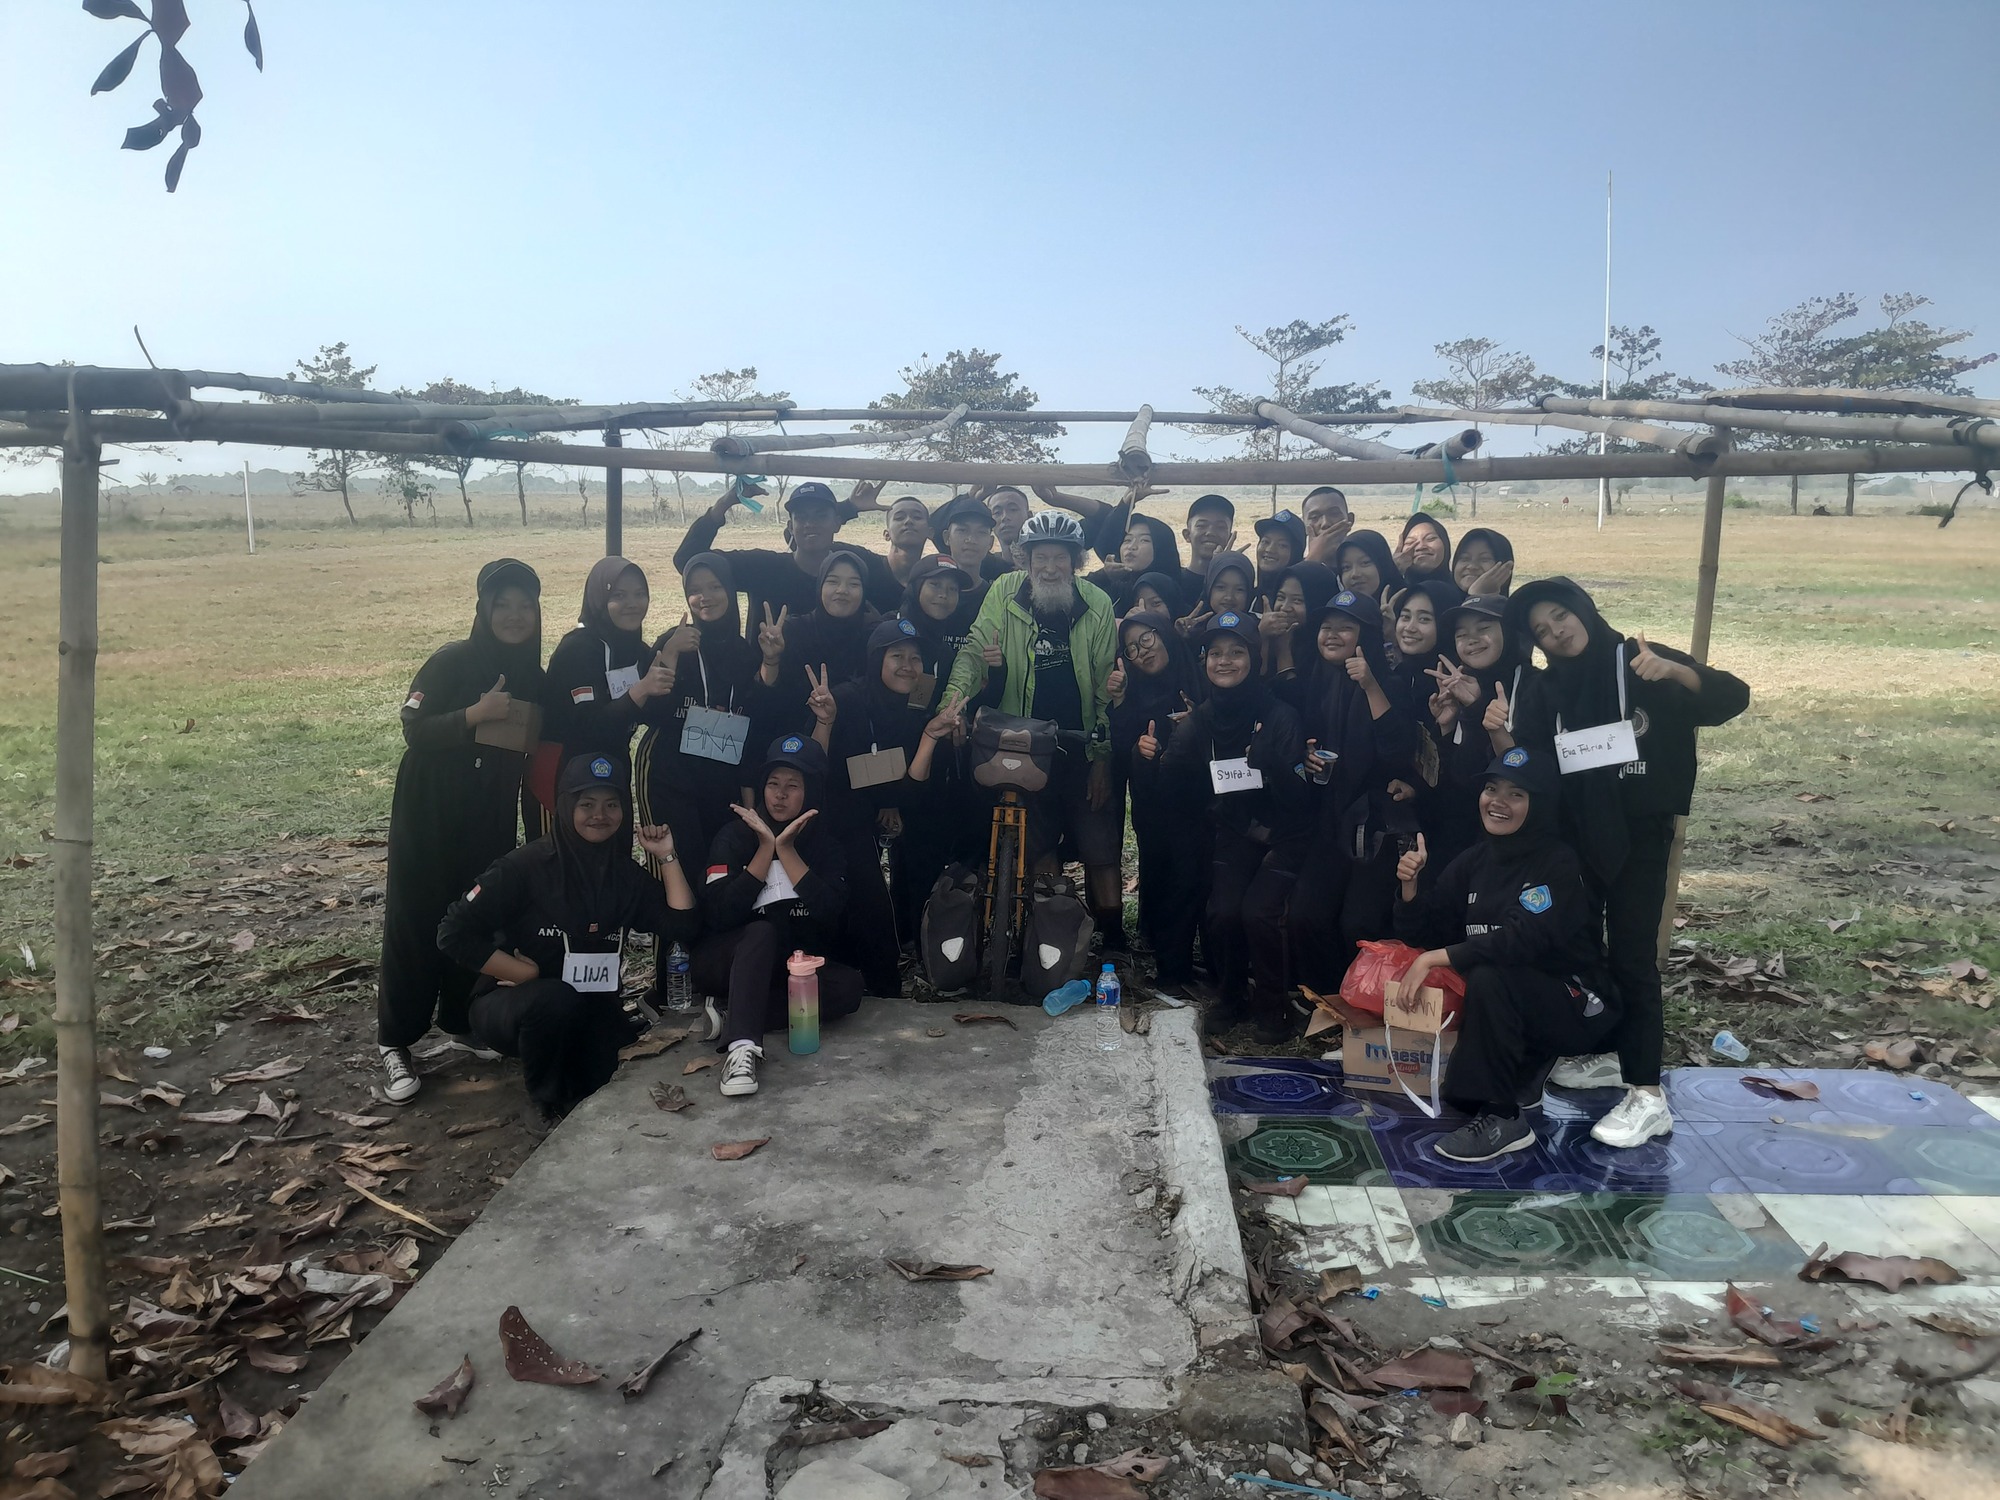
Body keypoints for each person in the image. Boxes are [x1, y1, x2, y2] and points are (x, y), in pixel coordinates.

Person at [1505, 578, 1750, 1148]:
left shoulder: (1640, 660)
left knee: (1634, 955)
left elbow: (1732, 697)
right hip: (1575, 836)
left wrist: (1678, 673)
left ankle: (1647, 1094)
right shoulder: (1545, 688)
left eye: (1560, 615)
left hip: (1639, 834)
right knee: (1581, 947)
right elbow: (1535, 764)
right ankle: (1610, 1051)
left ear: (1583, 609)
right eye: (1541, 630)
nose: (1556, 632)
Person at [437, 753, 700, 1125]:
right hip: (511, 1005)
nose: (600, 815)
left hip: (592, 1006)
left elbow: (683, 925)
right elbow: (452, 933)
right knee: (554, 1000)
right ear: (565, 806)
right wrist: (522, 973)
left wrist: (666, 856)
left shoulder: (623, 875)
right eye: (586, 804)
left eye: (611, 805)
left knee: (602, 1086)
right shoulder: (523, 867)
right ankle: (543, 1105)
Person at [1390, 747, 1619, 1163]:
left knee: (1489, 974)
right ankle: (1526, 1063)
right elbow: (1428, 932)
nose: (1497, 801)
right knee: (1483, 979)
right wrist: (1410, 887)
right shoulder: (1474, 859)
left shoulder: (1557, 862)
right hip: (1519, 1000)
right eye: (1492, 789)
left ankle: (1503, 1118)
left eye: (1516, 794)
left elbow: (1521, 939)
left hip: (1578, 1005)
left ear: (1540, 804)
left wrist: (1433, 959)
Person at [377, 559, 547, 1105]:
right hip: (430, 810)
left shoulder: (532, 674)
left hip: (489, 812)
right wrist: (475, 713)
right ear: (483, 609)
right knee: (415, 918)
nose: (515, 615)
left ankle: (459, 1020)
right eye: (503, 605)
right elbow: (414, 727)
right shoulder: (452, 660)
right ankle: (396, 1040)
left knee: (475, 913)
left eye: (525, 605)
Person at [944, 510, 1123, 943]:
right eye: (1040, 557)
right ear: (1024, 559)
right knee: (1035, 842)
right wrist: (951, 706)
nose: (1049, 568)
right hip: (1021, 742)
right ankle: (1046, 931)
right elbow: (974, 650)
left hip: (1079, 742)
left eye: (1060, 558)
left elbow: (1105, 684)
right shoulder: (1005, 592)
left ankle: (1114, 937)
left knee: (1099, 844)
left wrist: (1101, 756)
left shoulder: (1096, 603)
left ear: (1076, 561)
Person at [1139, 611, 1310, 1041]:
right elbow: (1172, 787)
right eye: (1215, 653)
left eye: (1236, 652)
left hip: (1288, 834)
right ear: (1205, 661)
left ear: (1253, 658)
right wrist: (1154, 758)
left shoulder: (1280, 715)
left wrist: (1272, 763)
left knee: (1258, 913)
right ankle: (1231, 996)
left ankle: (1273, 1005)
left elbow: (1301, 799)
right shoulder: (1201, 719)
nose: (1225, 661)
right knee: (1223, 912)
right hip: (1237, 831)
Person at [695, 736, 865, 1098]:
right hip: (727, 961)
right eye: (773, 784)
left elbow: (830, 912)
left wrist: (786, 850)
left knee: (847, 987)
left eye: (793, 786)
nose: (780, 795)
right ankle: (741, 1048)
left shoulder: (825, 845)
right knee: (760, 932)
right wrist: (764, 851)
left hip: (789, 967)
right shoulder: (733, 836)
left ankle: (728, 1015)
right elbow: (719, 915)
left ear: (811, 791)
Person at [816, 618, 964, 994]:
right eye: (897, 656)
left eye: (916, 658)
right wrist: (825, 722)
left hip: (875, 815)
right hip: (833, 817)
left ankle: (880, 983)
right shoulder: (846, 700)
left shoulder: (914, 710)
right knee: (868, 902)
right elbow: (813, 766)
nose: (907, 666)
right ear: (875, 659)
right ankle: (879, 989)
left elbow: (911, 788)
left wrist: (930, 736)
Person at [1285, 589, 1412, 994]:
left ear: (1367, 637)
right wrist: (1306, 759)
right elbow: (1298, 740)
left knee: (1358, 923)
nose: (1333, 635)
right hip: (1326, 820)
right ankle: (1324, 997)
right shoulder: (1315, 680)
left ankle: (1362, 1001)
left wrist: (1370, 685)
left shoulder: (1391, 683)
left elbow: (1396, 753)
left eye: (1346, 627)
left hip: (1374, 826)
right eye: (1326, 627)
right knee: (1304, 914)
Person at [635, 552, 762, 907]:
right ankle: (674, 941)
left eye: (715, 587)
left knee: (717, 865)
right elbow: (651, 712)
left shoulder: (744, 651)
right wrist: (672, 654)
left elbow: (753, 720)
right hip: (670, 773)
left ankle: (714, 939)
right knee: (675, 865)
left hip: (722, 775)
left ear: (730, 590)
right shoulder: (672, 642)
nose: (705, 597)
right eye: (695, 590)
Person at [535, 557, 676, 834]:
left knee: (613, 851)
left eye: (639, 594)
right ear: (599, 599)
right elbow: (589, 727)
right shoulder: (578, 650)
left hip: (612, 769)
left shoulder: (637, 649)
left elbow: (654, 714)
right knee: (559, 856)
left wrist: (671, 654)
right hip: (563, 770)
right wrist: (641, 689)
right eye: (619, 595)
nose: (632, 604)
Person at [1109, 612, 1207, 994]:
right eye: (1132, 649)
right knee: (1163, 873)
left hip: (1203, 801)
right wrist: (1140, 749)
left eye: (1147, 639)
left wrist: (1198, 725)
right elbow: (1122, 748)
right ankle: (1167, 960)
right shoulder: (1134, 692)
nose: (1142, 652)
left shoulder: (1199, 677)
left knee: (1195, 877)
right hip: (1154, 803)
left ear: (1164, 633)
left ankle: (1195, 958)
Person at [675, 478, 900, 626]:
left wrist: (877, 624)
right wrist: (724, 503)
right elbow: (688, 560)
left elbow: (900, 585)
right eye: (801, 517)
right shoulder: (763, 568)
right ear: (791, 527)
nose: (810, 524)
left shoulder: (854, 567)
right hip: (769, 682)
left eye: (821, 516)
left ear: (837, 523)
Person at [753, 549, 879, 736]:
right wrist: (771, 659)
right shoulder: (794, 631)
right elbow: (767, 700)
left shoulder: (873, 636)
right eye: (833, 581)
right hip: (795, 738)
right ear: (820, 586)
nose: (842, 590)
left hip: (856, 739)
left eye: (853, 584)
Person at [1259, 561, 1338, 689]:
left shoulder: (1330, 650)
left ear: (1317, 603)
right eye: (1281, 597)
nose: (1284, 607)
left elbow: (1293, 699)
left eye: (1297, 600)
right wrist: (1261, 638)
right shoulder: (1267, 635)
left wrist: (1283, 653)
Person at [933, 493, 999, 600]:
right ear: (947, 537)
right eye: (962, 530)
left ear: (990, 543)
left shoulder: (997, 596)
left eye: (981, 532)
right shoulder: (931, 593)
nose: (971, 540)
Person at [1182, 550, 1255, 636]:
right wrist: (1181, 637)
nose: (1229, 597)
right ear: (1209, 588)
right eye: (1221, 587)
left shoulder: (1257, 629)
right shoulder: (1192, 627)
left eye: (1239, 589)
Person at [1334, 530, 1405, 605]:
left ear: (1383, 564)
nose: (1355, 574)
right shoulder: (1336, 610)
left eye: (1365, 563)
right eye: (1346, 567)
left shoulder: (1408, 604)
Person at [881, 493, 934, 591]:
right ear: (887, 534)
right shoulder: (868, 566)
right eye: (899, 518)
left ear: (930, 532)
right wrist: (852, 507)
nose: (908, 521)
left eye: (917, 517)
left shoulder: (934, 580)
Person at [983, 486, 1034, 580]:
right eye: (997, 512)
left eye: (1013, 509)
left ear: (1029, 516)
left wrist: (1056, 499)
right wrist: (974, 496)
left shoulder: (1044, 565)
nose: (1005, 517)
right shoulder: (983, 566)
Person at [1252, 509, 1306, 594]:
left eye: (1282, 545)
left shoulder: (1304, 599)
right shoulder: (1249, 597)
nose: (1270, 549)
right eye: (1266, 541)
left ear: (1295, 554)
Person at [1451, 527, 1516, 597]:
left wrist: (1477, 597)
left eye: (1484, 559)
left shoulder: (1514, 604)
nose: (1472, 567)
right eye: (1465, 558)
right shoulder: (1443, 601)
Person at [1395, 514, 1453, 587]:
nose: (1420, 547)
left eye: (1430, 538)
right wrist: (1393, 571)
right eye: (1410, 542)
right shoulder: (1390, 590)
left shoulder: (1463, 587)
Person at [1300, 486, 1355, 564]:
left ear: (1350, 520)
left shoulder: (1366, 566)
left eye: (1334, 514)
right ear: (1303, 526)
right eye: (1314, 517)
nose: (1325, 523)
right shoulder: (1290, 569)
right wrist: (1313, 558)